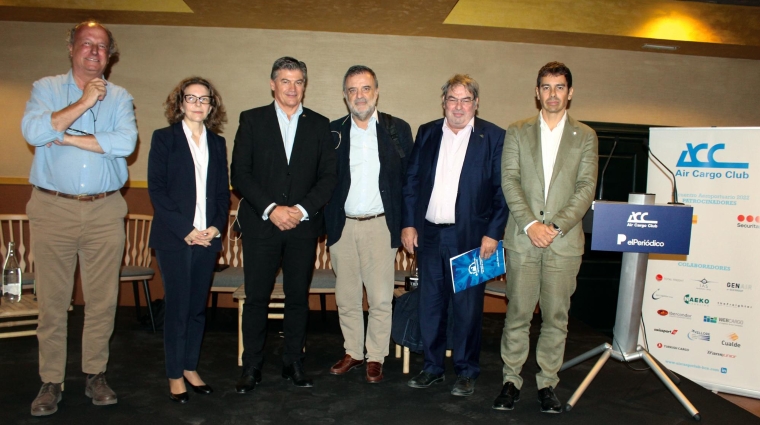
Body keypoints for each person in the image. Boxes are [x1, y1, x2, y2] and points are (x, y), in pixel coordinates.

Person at [20, 21, 137, 416]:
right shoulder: (46, 88)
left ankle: (95, 374)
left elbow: (125, 143)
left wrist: (65, 135)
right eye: (87, 44)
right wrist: (85, 102)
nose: (94, 51)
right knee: (53, 302)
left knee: (103, 301)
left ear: (110, 56)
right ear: (71, 48)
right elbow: (34, 131)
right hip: (53, 207)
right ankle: (51, 380)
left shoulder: (120, 97)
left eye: (102, 47)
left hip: (105, 208)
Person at [494, 61, 598, 413]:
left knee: (556, 317)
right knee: (518, 315)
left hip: (563, 243)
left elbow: (586, 189)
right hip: (523, 241)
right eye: (546, 87)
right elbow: (509, 180)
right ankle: (511, 381)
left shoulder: (585, 136)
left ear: (570, 92)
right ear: (536, 92)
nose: (552, 94)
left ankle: (547, 384)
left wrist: (554, 227)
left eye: (559, 87)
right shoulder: (517, 131)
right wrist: (530, 225)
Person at [231, 57, 337, 391]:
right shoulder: (251, 120)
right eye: (285, 81)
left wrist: (301, 209)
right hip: (262, 224)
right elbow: (240, 174)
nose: (292, 88)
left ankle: (294, 363)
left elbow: (328, 177)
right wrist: (272, 209)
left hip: (303, 227)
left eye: (298, 82)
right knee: (257, 298)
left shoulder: (321, 125)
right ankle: (252, 366)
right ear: (273, 84)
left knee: (296, 299)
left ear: (305, 85)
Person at [401, 74, 508, 397]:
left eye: (465, 100)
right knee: (430, 305)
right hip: (430, 236)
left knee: (467, 308)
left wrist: (493, 233)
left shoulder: (494, 137)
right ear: (443, 103)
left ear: (476, 103)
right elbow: (412, 182)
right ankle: (432, 367)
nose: (458, 107)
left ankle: (466, 371)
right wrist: (409, 224)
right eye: (452, 99)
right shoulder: (428, 132)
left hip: (472, 239)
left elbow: (503, 191)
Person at [325, 65, 413, 383]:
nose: (359, 96)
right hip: (343, 226)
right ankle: (353, 351)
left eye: (365, 89)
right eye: (352, 90)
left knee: (379, 297)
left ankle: (376, 356)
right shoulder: (332, 132)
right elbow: (322, 180)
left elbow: (409, 181)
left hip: (380, 225)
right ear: (345, 96)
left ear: (376, 92)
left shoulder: (396, 129)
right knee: (346, 297)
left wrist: (408, 224)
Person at [148, 77, 230, 403]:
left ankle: (190, 367)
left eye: (204, 99)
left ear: (212, 105)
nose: (197, 103)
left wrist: (214, 227)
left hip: (207, 239)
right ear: (180, 102)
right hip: (175, 238)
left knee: (197, 309)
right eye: (191, 98)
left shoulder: (218, 143)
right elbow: (157, 190)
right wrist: (186, 229)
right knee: (178, 309)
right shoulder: (164, 139)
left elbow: (223, 195)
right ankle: (174, 374)